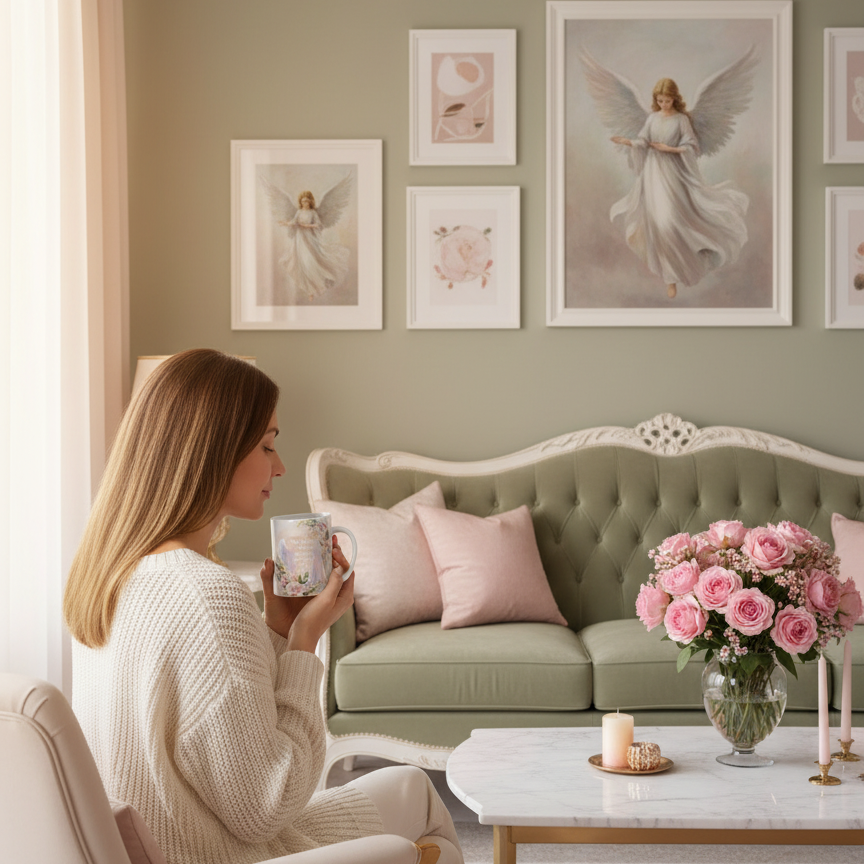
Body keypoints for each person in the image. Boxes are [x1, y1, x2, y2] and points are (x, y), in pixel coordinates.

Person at [63, 349, 463, 864]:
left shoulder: (107, 576)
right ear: (214, 451)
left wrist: (277, 628)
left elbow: (219, 739)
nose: (280, 465)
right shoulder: (208, 595)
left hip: (176, 839)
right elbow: (266, 805)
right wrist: (303, 644)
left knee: (412, 785)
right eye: (267, 444)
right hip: (220, 853)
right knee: (423, 805)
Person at [609, 77, 749, 299]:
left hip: (674, 175)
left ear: (675, 98)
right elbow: (644, 141)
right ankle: (670, 278)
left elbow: (691, 146)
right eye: (660, 100)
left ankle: (687, 263)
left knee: (672, 222)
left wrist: (669, 149)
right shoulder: (653, 118)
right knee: (659, 226)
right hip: (653, 175)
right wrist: (628, 143)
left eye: (667, 100)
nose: (664, 104)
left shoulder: (682, 119)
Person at [278, 189, 350, 301]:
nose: (304, 204)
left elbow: (318, 225)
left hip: (310, 239)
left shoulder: (313, 213)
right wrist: (285, 223)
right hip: (300, 239)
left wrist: (306, 226)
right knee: (302, 263)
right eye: (302, 202)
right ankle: (308, 289)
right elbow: (294, 222)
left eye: (306, 201)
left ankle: (313, 289)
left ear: (310, 202)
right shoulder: (299, 212)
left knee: (310, 262)